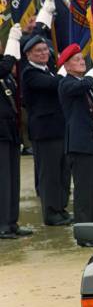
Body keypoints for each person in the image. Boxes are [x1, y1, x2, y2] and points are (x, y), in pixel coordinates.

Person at [21, 35, 70, 226]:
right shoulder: (30, 73)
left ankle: (61, 208)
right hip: (45, 132)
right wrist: (65, 69)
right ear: (28, 55)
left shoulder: (49, 70)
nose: (43, 53)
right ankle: (51, 213)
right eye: (38, 51)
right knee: (49, 175)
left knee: (62, 172)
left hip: (58, 129)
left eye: (44, 50)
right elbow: (54, 85)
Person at [58, 44, 93, 223]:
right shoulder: (66, 83)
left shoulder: (84, 84)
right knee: (84, 190)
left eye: (81, 58)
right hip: (79, 145)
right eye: (76, 60)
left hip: (92, 143)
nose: (81, 62)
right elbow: (83, 84)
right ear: (67, 66)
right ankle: (85, 229)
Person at [0, 26, 33, 239]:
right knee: (2, 180)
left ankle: (11, 221)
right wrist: (13, 45)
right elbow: (4, 68)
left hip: (9, 131)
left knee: (12, 179)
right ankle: (2, 224)